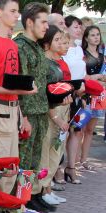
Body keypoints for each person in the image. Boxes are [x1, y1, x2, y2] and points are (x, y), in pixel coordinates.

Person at [0, 0, 36, 196]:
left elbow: (10, 82)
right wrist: (17, 92)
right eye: (13, 11)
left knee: (10, 168)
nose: (17, 15)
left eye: (17, 11)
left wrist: (21, 113)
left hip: (11, 110)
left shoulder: (11, 43)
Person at [14, 3, 54, 213]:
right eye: (43, 22)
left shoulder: (37, 47)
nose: (47, 26)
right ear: (30, 22)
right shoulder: (19, 46)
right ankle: (17, 202)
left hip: (40, 109)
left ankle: (30, 196)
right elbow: (19, 83)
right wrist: (22, 116)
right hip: (27, 111)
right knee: (23, 160)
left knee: (35, 160)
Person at [39, 25, 71, 206]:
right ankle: (44, 189)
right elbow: (46, 93)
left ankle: (47, 187)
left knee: (55, 151)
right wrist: (56, 117)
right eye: (57, 40)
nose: (60, 43)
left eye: (62, 40)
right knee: (47, 152)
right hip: (52, 112)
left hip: (61, 108)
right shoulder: (45, 62)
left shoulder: (56, 62)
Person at [62, 15, 85, 184]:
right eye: (76, 26)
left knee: (76, 131)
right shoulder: (62, 48)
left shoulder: (78, 48)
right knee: (62, 132)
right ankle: (57, 169)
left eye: (80, 27)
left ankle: (71, 167)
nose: (79, 30)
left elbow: (82, 72)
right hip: (64, 93)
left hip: (79, 94)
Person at [80, 25, 106, 170]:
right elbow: (82, 75)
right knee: (80, 129)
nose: (96, 37)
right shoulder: (82, 54)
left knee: (90, 130)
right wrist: (95, 78)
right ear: (86, 38)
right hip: (86, 94)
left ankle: (84, 159)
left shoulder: (103, 56)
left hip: (99, 95)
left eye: (97, 35)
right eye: (93, 35)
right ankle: (76, 160)